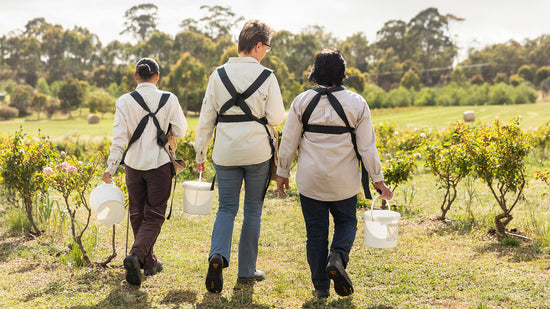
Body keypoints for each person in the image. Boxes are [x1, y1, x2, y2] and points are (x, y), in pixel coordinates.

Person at [276, 49, 393, 299]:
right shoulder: (357, 103)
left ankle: (321, 287)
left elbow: (288, 142)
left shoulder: (301, 101)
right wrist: (378, 180)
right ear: (342, 74)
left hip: (311, 182)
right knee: (347, 222)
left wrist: (282, 172)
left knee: (316, 234)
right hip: (345, 182)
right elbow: (367, 147)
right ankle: (338, 256)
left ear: (315, 73)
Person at [193, 20, 285, 293]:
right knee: (252, 210)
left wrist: (200, 151)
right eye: (266, 47)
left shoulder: (217, 74)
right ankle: (246, 270)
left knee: (226, 208)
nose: (266, 52)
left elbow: (206, 118)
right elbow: (278, 117)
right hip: (257, 151)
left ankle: (217, 255)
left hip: (225, 151)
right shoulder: (267, 76)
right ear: (258, 45)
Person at [103, 57, 187, 286]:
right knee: (155, 214)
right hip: (159, 164)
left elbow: (119, 139)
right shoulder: (169, 99)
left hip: (132, 165)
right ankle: (136, 256)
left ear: (136, 76)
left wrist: (110, 168)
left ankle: (148, 262)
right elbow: (180, 130)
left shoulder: (123, 101)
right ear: (157, 76)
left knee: (137, 212)